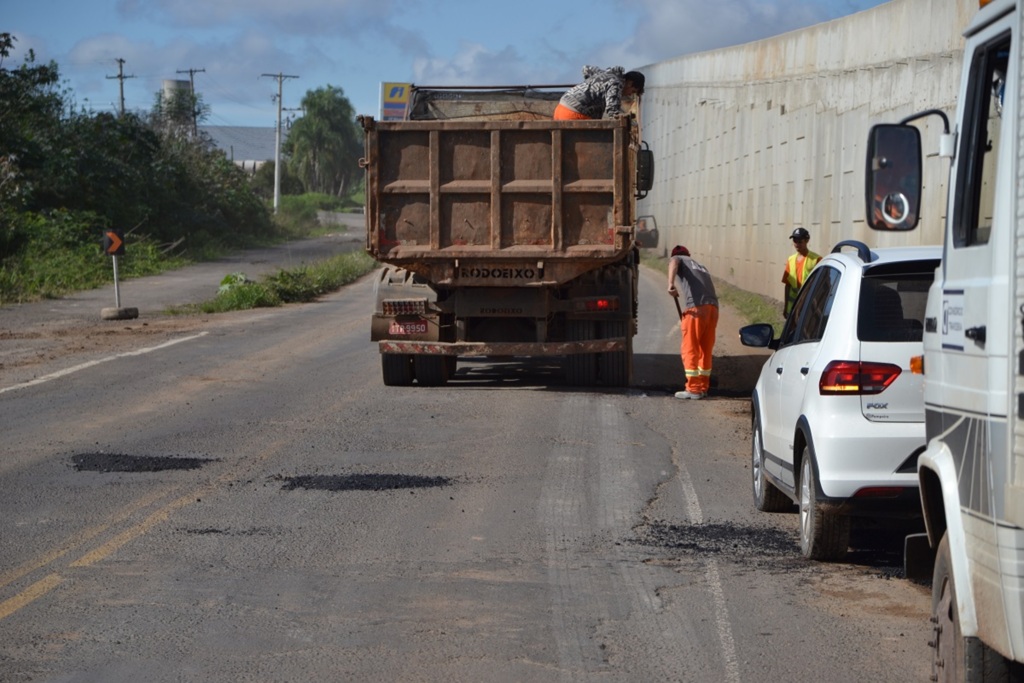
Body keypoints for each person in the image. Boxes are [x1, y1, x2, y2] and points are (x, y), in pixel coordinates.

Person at [667, 245, 719, 400]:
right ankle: (703, 387)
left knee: (690, 348)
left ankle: (693, 389)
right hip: (713, 309)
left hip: (697, 309)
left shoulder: (678, 258)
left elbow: (673, 262)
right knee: (705, 349)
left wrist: (670, 284)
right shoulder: (700, 265)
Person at [553, 66, 645, 120]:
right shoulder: (617, 83)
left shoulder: (605, 74)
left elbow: (586, 68)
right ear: (630, 83)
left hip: (560, 109)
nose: (629, 94)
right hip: (575, 115)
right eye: (633, 91)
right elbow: (613, 113)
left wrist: (591, 88)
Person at [781, 227, 821, 316]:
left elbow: (822, 286)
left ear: (807, 240)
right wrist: (786, 307)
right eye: (795, 241)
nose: (797, 244)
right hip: (793, 308)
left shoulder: (816, 259)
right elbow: (787, 285)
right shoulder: (790, 260)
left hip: (809, 308)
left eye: (800, 241)